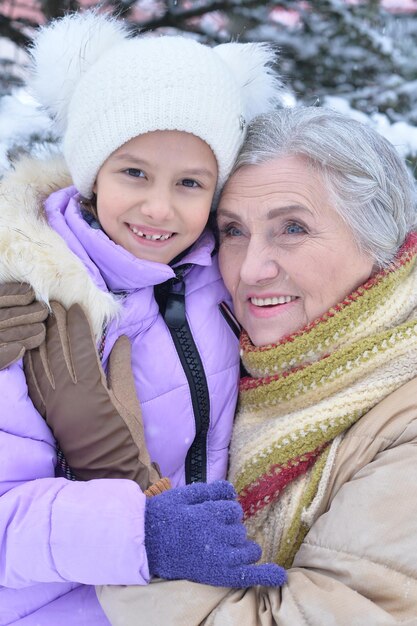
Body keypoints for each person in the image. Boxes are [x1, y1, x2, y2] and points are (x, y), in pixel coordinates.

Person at [0, 11, 286, 626]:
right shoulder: (29, 303)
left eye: (190, 182)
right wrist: (141, 535)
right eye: (134, 172)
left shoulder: (224, 274)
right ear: (92, 171)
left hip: (189, 597)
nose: (160, 208)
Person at [95, 106, 417, 625]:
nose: (250, 268)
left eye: (292, 227)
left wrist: (126, 544)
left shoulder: (404, 422)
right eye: (232, 231)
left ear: (379, 240)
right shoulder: (228, 363)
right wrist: (45, 283)